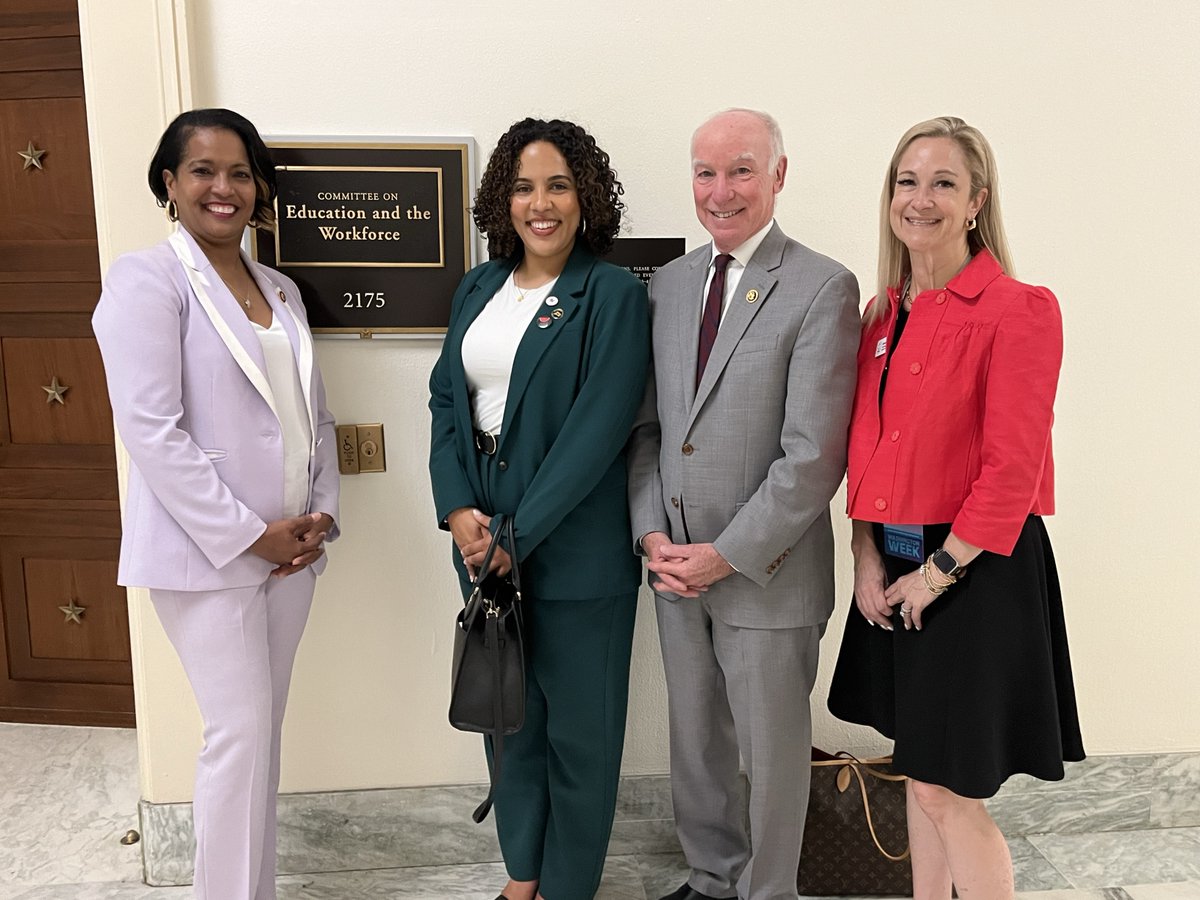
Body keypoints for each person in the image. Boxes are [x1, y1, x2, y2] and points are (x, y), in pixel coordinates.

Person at [828, 116, 1085, 899]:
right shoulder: (881, 316)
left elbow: (1013, 468)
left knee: (948, 787)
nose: (921, 199)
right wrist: (869, 559)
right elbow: (865, 453)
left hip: (976, 567)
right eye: (908, 181)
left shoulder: (1019, 308)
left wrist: (937, 573)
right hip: (898, 560)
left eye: (943, 183)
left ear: (976, 200)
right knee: (918, 770)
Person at [92, 108, 339, 900]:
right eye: (202, 170)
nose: (223, 188)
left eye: (239, 172)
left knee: (260, 739)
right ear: (170, 183)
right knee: (236, 738)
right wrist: (248, 536)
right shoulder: (147, 280)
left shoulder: (279, 288)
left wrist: (319, 514)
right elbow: (151, 431)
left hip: (293, 554)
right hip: (209, 557)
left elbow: (313, 415)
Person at [627, 108, 860, 900]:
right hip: (674, 570)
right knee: (696, 744)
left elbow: (813, 456)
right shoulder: (670, 284)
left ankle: (768, 891)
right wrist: (652, 535)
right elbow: (652, 431)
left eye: (741, 170)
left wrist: (724, 554)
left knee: (771, 755)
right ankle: (712, 880)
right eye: (705, 171)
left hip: (766, 573)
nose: (720, 190)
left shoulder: (822, 285)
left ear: (779, 175)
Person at [428, 117, 650, 900]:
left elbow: (596, 433)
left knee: (580, 741)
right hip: (481, 543)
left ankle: (566, 888)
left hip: (575, 551)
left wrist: (516, 537)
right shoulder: (478, 287)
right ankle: (521, 876)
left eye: (558, 184)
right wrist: (458, 510)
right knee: (507, 723)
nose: (541, 203)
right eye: (523, 187)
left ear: (586, 197)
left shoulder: (612, 294)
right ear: (503, 200)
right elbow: (446, 404)